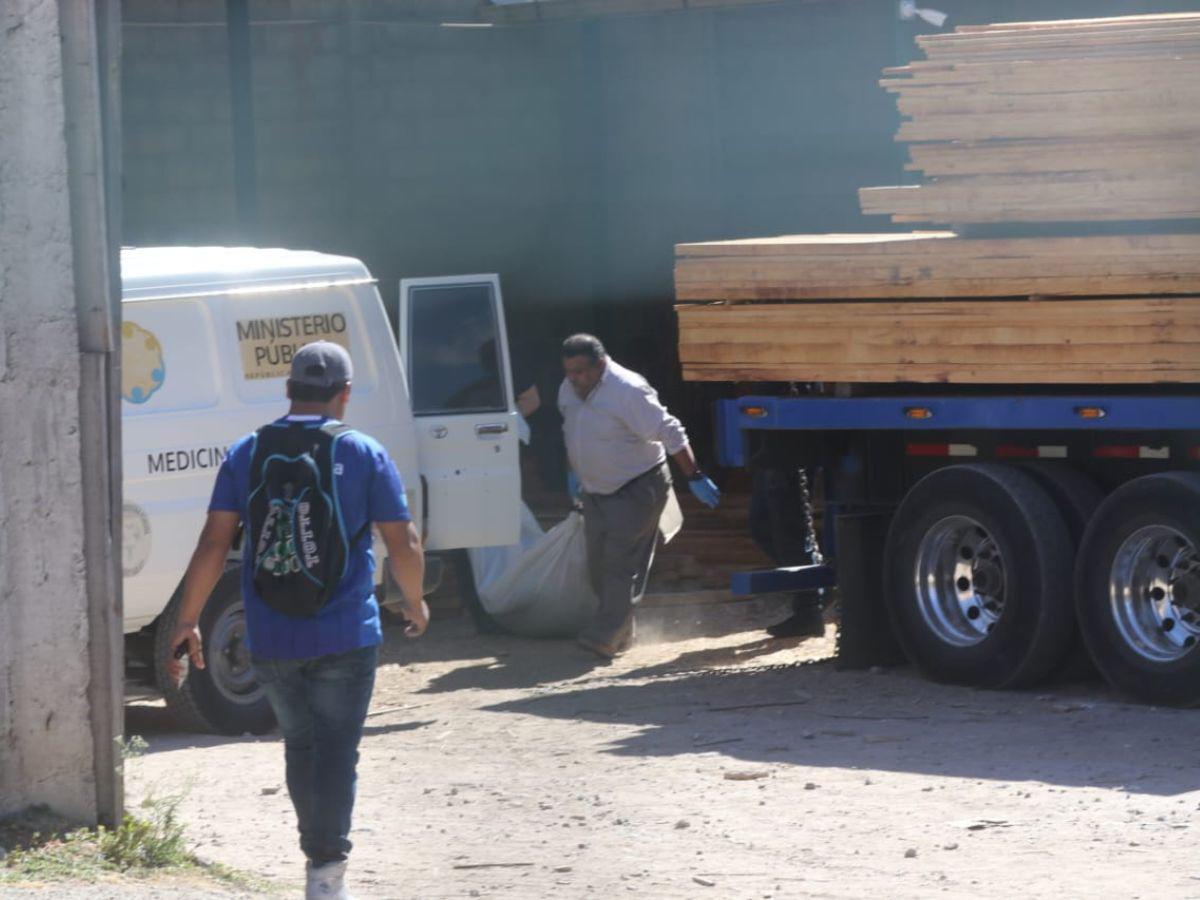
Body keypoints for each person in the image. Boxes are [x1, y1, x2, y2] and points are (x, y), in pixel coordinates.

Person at [165, 341, 427, 900]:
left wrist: (188, 620)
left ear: (288, 390)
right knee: (337, 750)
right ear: (345, 395)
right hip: (346, 633)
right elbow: (400, 540)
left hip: (272, 634)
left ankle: (318, 857)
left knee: (301, 744)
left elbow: (214, 542)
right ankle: (326, 870)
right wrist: (415, 599)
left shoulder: (247, 451)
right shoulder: (363, 452)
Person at [559, 333, 720, 658]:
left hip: (636, 487)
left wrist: (695, 475)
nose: (574, 379)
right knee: (597, 565)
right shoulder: (568, 389)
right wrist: (574, 472)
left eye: (580, 372)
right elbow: (573, 431)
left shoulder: (627, 390)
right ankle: (621, 631)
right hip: (595, 491)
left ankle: (605, 635)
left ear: (601, 365)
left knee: (619, 562)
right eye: (569, 372)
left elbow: (669, 430)